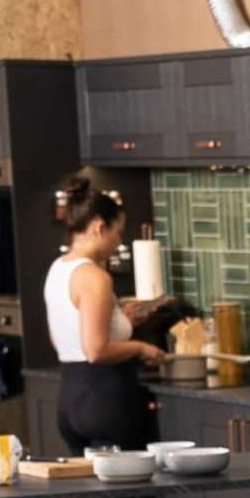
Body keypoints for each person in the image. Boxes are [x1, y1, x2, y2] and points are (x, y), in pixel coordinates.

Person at [43, 171, 175, 455]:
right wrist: (141, 347)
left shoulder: (58, 269)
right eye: (117, 232)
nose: (118, 241)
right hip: (104, 399)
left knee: (95, 495)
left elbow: (61, 339)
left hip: (69, 399)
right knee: (123, 495)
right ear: (99, 227)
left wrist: (120, 319)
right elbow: (96, 350)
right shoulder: (94, 277)